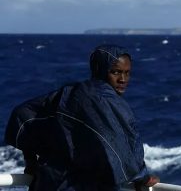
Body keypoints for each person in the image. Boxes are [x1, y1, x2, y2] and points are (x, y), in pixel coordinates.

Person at [5, 44, 159, 191]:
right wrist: (142, 177)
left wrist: (30, 162)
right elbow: (122, 146)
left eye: (127, 72)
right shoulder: (104, 101)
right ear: (101, 69)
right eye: (116, 72)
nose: (123, 79)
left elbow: (23, 114)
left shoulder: (70, 92)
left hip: (49, 182)